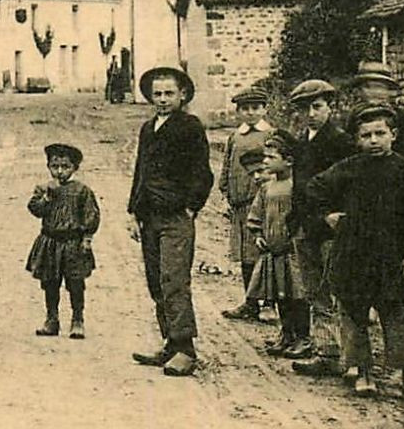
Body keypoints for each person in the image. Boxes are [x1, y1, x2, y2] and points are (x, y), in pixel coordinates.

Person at [299, 104, 404, 402]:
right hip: (353, 253)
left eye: (380, 133)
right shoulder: (349, 167)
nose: (373, 140)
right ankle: (364, 371)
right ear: (357, 139)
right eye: (366, 135)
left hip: (390, 256)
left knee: (396, 316)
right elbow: (313, 188)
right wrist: (327, 216)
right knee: (354, 315)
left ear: (393, 135)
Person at [126, 66, 214, 377]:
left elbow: (202, 173)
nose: (162, 99)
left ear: (183, 95)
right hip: (149, 216)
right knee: (155, 280)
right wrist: (133, 210)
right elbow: (141, 171)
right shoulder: (148, 128)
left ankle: (185, 349)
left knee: (174, 279)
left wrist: (191, 207)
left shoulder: (189, 127)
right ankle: (169, 342)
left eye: (169, 94)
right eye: (157, 94)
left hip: (176, 216)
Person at [286, 78, 357, 379]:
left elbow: (351, 186)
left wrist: (335, 216)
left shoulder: (341, 142)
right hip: (306, 226)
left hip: (330, 229)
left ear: (331, 107)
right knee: (315, 291)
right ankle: (326, 352)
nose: (311, 113)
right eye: (305, 109)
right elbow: (300, 187)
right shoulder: (302, 141)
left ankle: (351, 357)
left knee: (337, 289)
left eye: (317, 107)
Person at [26, 142, 99, 340]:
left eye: (65, 167)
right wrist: (46, 199)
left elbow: (91, 215)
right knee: (50, 282)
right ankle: (52, 319)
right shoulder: (44, 188)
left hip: (73, 244)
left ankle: (77, 319)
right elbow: (34, 209)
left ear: (75, 168)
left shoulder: (82, 190)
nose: (60, 171)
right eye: (54, 166)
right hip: (50, 242)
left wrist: (87, 238)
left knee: (75, 282)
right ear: (48, 167)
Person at [247, 130, 309, 358]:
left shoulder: (297, 187)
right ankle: (287, 334)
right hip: (273, 252)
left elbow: (303, 217)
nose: (265, 161)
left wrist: (295, 241)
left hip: (292, 252)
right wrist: (258, 235)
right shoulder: (266, 188)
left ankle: (303, 337)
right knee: (280, 294)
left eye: (271, 157)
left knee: (298, 295)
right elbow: (256, 214)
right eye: (265, 156)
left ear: (289, 161)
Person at [220, 86, 273, 321]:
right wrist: (226, 193)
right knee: (245, 254)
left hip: (262, 203)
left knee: (265, 253)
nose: (250, 113)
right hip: (240, 204)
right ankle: (250, 302)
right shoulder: (235, 136)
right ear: (238, 112)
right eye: (245, 109)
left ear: (264, 109)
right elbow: (227, 165)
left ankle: (269, 303)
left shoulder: (270, 134)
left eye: (255, 108)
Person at [347, 63, 404, 183]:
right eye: (368, 87)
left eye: (380, 88)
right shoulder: (352, 118)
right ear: (359, 91)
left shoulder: (402, 118)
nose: (375, 93)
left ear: (389, 92)